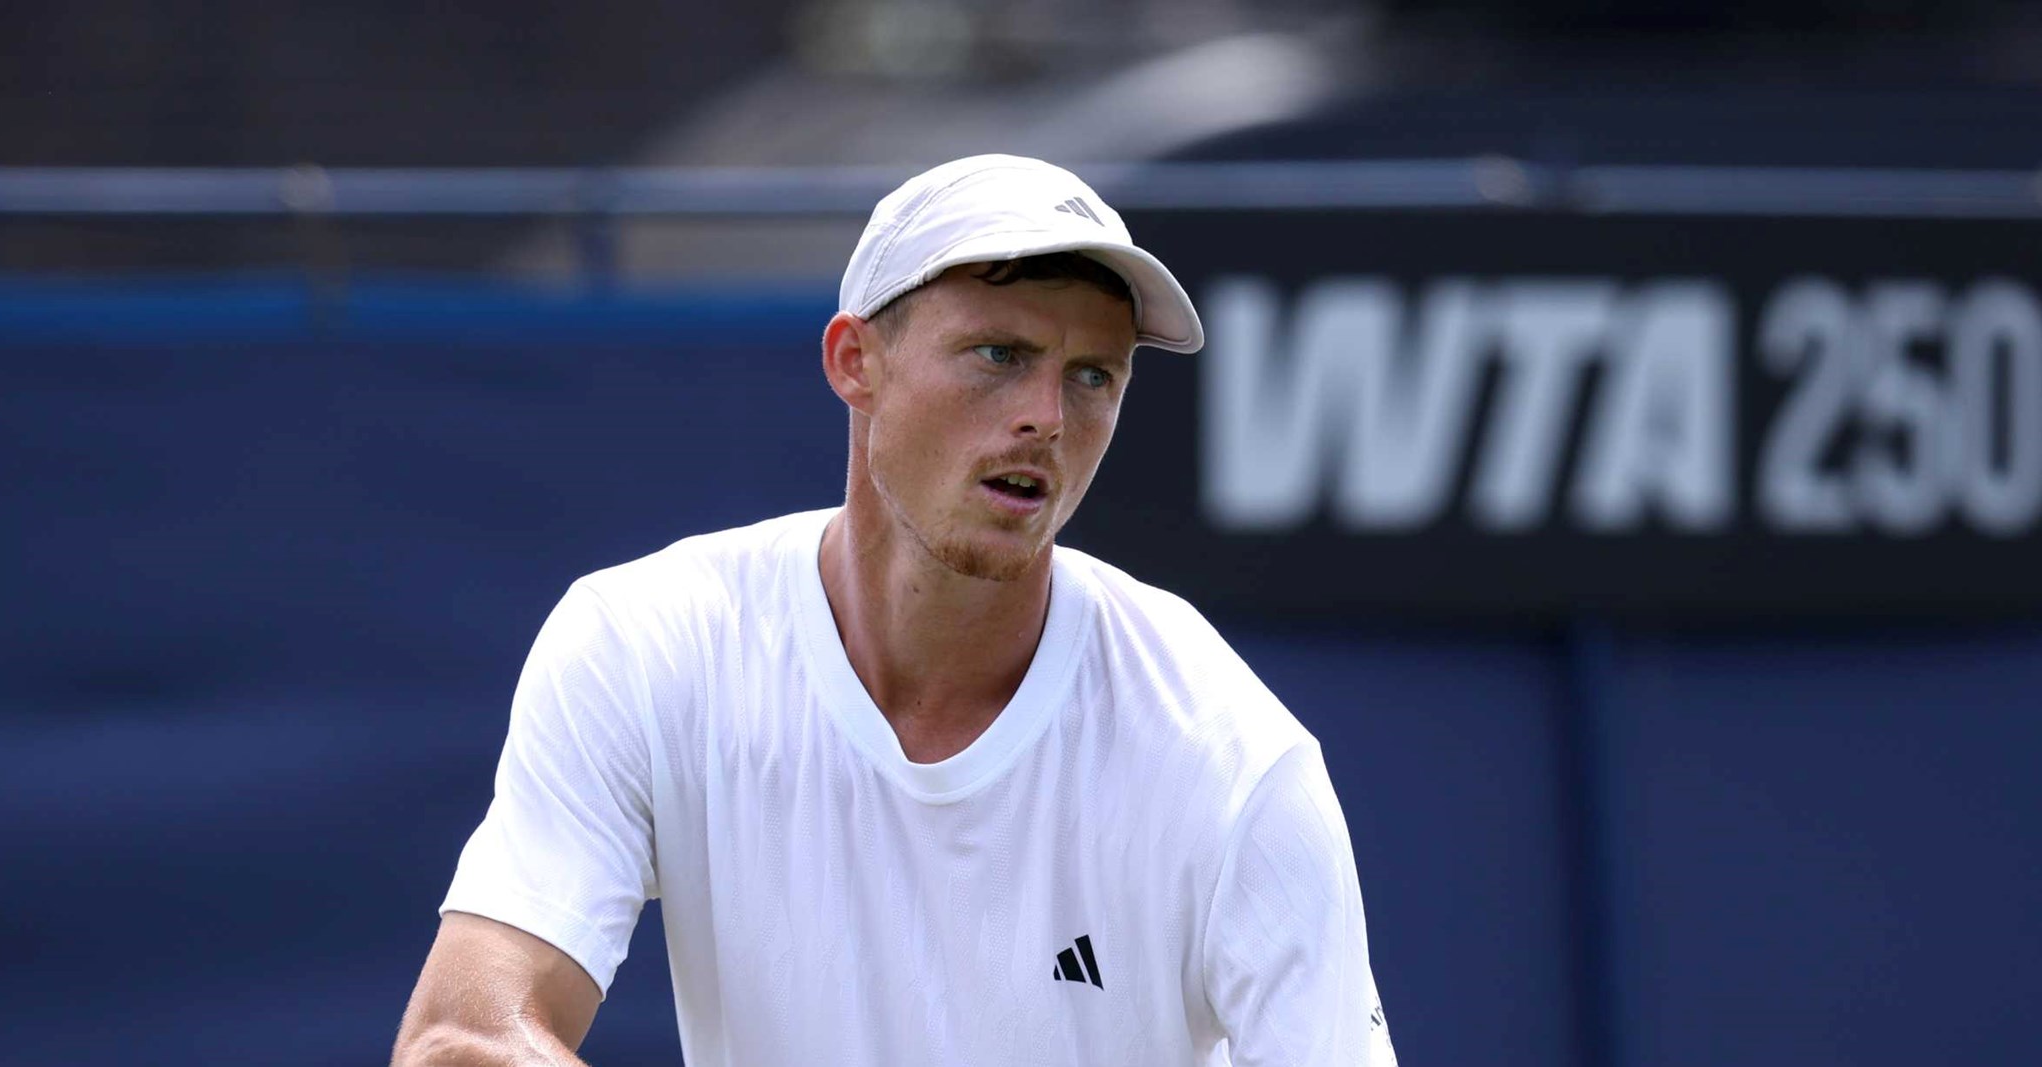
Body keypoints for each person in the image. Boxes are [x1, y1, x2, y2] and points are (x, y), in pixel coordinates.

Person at [393, 154, 1395, 1066]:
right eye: (999, 353)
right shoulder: (644, 643)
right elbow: (461, 1035)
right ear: (853, 362)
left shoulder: (1226, 752)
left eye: (1093, 375)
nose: (1047, 414)